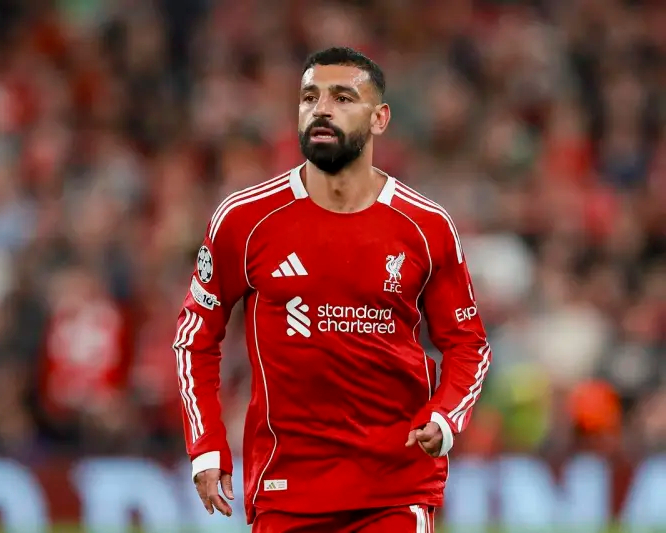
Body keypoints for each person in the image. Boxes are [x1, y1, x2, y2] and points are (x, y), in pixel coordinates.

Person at [173, 47, 491, 533]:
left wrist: (446, 416)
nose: (321, 109)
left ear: (380, 118)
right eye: (309, 97)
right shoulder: (245, 220)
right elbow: (194, 336)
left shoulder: (426, 226)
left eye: (342, 98)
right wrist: (206, 444)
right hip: (286, 490)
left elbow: (468, 344)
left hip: (395, 489)